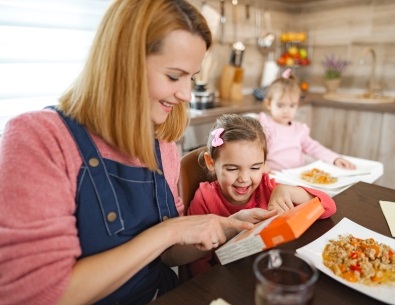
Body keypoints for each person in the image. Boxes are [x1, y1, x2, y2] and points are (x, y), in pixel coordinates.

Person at [0, 1, 276, 304]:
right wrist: (166, 233)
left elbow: (169, 257)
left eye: (191, 78)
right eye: (174, 76)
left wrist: (223, 229)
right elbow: (37, 295)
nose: (185, 94)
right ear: (123, 63)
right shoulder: (39, 138)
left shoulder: (163, 144)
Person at [187, 114, 336, 276]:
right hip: (225, 277)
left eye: (255, 168)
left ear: (265, 164)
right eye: (232, 169)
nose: (244, 179)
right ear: (211, 162)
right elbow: (197, 259)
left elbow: (328, 206)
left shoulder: (267, 186)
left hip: (267, 271)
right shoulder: (204, 198)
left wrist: (287, 190)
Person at [258, 68, 355, 172]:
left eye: (292, 105)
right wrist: (260, 166)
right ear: (268, 104)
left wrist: (335, 158)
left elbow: (315, 148)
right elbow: (254, 151)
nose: (286, 111)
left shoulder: (299, 130)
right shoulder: (264, 125)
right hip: (272, 175)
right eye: (280, 105)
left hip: (296, 176)